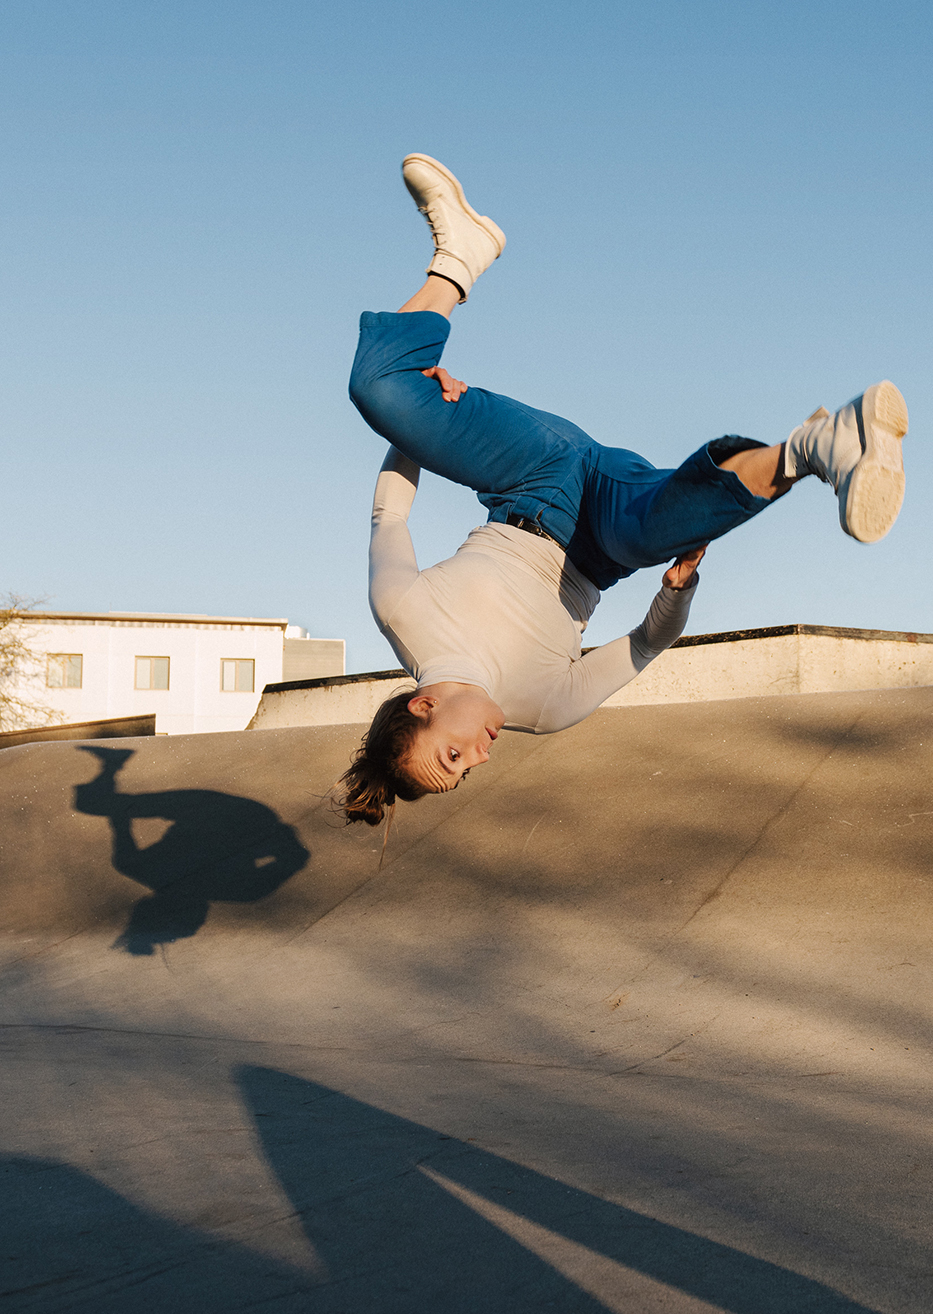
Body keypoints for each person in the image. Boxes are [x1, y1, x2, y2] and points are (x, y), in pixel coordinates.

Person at [338, 154, 909, 827]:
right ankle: (821, 447)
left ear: (423, 708)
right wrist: (677, 593)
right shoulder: (544, 709)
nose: (479, 760)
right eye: (464, 773)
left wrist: (428, 417)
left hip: (525, 475)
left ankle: (459, 256)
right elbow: (644, 644)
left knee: (377, 389)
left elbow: (389, 511)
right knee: (647, 535)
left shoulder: (402, 612)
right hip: (601, 536)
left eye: (453, 756)